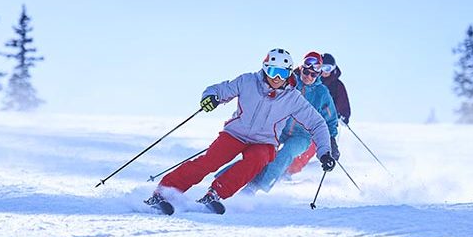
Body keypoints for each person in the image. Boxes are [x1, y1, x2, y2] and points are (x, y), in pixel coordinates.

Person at [144, 48, 336, 210]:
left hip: (264, 141)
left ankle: (215, 193)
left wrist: (325, 152)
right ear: (265, 69)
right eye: (273, 71)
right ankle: (164, 192)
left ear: (289, 73)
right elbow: (219, 89)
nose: (277, 78)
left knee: (258, 159)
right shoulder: (248, 82)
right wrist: (211, 97)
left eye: (283, 73)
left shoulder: (292, 97)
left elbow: (318, 123)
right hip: (235, 134)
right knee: (210, 161)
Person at [242, 52, 339, 194]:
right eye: (306, 72)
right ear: (301, 68)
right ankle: (227, 181)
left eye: (313, 74)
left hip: (302, 136)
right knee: (259, 150)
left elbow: (330, 119)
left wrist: (331, 140)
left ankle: (255, 188)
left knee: (285, 154)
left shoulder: (322, 93)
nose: (308, 77)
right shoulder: (289, 81)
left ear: (318, 75)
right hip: (279, 126)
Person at [286, 52, 350, 176]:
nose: (325, 72)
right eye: (323, 68)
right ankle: (273, 170)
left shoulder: (335, 85)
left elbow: (343, 104)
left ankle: (288, 172)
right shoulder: (304, 78)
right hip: (297, 122)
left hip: (321, 125)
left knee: (310, 147)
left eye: (329, 69)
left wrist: (343, 116)